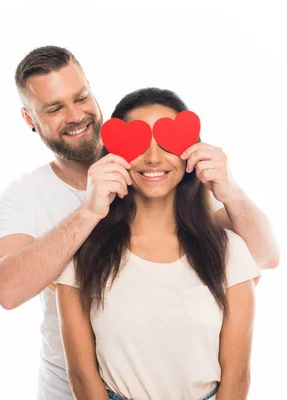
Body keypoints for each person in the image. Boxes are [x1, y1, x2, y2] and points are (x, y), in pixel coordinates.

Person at [0, 46, 279, 400]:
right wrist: (89, 211)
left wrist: (229, 188)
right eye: (54, 108)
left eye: (81, 97)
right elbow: (6, 291)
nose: (75, 115)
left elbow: (262, 256)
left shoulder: (166, 178)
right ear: (29, 118)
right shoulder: (24, 197)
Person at [55, 87, 260, 400]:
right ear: (114, 155)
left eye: (167, 143)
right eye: (138, 144)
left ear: (191, 152)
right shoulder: (82, 254)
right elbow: (82, 377)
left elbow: (237, 379)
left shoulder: (229, 251)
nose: (152, 158)